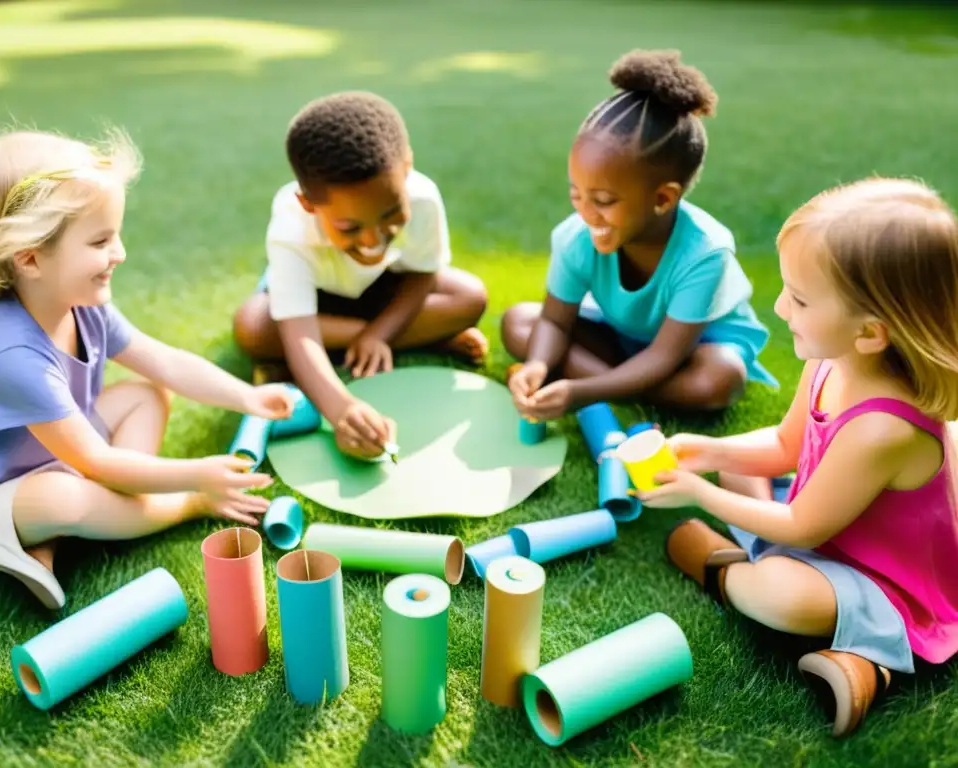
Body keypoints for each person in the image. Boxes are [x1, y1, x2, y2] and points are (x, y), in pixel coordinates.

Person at [642, 178, 958, 737]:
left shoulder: (883, 429)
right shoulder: (828, 360)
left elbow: (803, 524)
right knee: (740, 462)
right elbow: (787, 447)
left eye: (801, 299)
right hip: (827, 526)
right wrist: (708, 451)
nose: (781, 305)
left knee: (778, 593)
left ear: (871, 333)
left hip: (883, 577)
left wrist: (700, 493)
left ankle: (856, 656)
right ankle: (773, 588)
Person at [0, 129, 295, 611]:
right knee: (61, 499)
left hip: (41, 456)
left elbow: (162, 362)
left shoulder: (79, 300)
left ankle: (77, 528)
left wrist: (245, 397)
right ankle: (134, 513)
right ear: (29, 258)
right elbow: (97, 462)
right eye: (101, 240)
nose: (119, 253)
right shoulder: (8, 355)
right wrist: (195, 483)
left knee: (148, 394)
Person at [505, 49, 776, 420]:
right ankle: (628, 383)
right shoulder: (576, 236)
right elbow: (554, 321)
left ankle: (616, 383)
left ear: (663, 198)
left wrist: (580, 391)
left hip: (694, 350)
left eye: (603, 200)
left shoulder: (706, 253)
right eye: (575, 193)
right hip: (625, 339)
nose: (585, 212)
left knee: (718, 380)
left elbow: (667, 354)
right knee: (520, 323)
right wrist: (537, 364)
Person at [232, 91, 488, 460]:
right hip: (319, 303)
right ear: (308, 204)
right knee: (253, 327)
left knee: (470, 296)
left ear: (408, 168)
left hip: (384, 289)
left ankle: (370, 343)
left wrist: (380, 334)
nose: (373, 239)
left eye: (390, 213)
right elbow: (299, 332)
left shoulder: (424, 198)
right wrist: (342, 409)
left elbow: (423, 275)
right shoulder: (291, 223)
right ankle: (426, 338)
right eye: (349, 227)